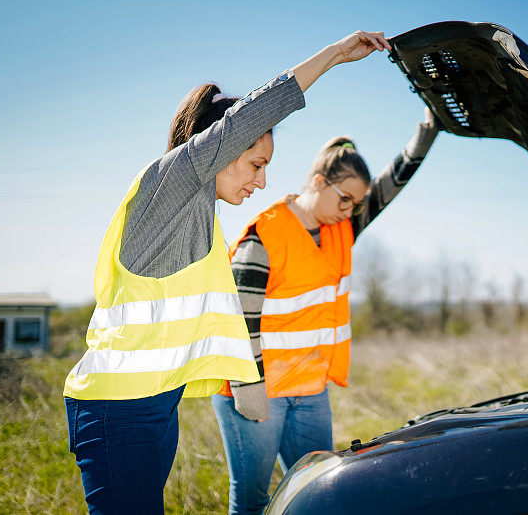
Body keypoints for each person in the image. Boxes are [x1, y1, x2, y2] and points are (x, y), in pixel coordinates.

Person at [62, 30, 391, 515]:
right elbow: (254, 113)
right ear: (219, 147)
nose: (263, 181)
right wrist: (335, 56)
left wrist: (246, 381)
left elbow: (225, 312)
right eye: (256, 163)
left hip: (157, 402)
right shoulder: (169, 186)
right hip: (118, 408)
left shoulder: (201, 222)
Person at [212, 108, 439, 514]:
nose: (350, 210)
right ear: (319, 182)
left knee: (320, 495)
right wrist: (249, 389)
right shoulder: (262, 237)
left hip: (310, 389)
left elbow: (392, 183)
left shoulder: (341, 229)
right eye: (345, 199)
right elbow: (237, 322)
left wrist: (427, 131)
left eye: (356, 203)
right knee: (252, 500)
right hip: (259, 390)